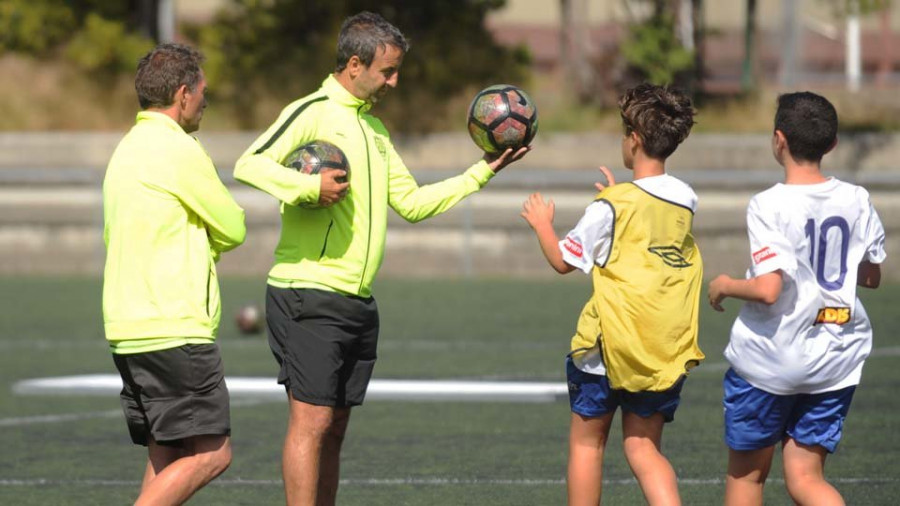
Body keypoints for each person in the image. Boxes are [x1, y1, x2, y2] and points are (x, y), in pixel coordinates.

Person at [232, 11, 528, 506]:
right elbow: (248, 164)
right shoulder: (312, 109)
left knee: (335, 428)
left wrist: (483, 171)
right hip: (307, 290)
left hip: (357, 300)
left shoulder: (373, 130)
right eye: (387, 71)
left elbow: (411, 204)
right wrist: (309, 185)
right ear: (354, 64)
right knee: (312, 422)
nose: (395, 81)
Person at [521, 83, 702, 506]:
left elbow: (564, 261)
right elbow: (645, 231)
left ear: (634, 139)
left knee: (588, 444)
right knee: (644, 449)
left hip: (605, 349)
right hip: (659, 349)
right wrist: (615, 200)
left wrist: (542, 224)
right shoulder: (685, 199)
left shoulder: (612, 207)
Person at [708, 92, 885, 506]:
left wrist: (725, 284)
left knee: (748, 477)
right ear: (833, 144)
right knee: (806, 478)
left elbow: (770, 289)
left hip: (771, 360)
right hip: (835, 358)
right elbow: (872, 276)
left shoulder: (769, 204)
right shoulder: (857, 199)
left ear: (778, 140)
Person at [102, 43, 246, 505]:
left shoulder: (124, 149)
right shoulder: (179, 149)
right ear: (183, 94)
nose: (207, 101)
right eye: (204, 92)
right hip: (173, 328)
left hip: (127, 330)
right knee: (212, 453)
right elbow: (234, 226)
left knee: (167, 453)